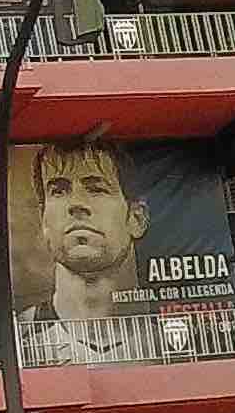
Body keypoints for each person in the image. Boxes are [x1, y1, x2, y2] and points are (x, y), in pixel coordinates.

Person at [12, 141, 149, 366]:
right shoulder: (13, 343)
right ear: (42, 217)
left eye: (96, 189)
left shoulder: (177, 334)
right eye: (58, 191)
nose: (76, 204)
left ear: (136, 219)